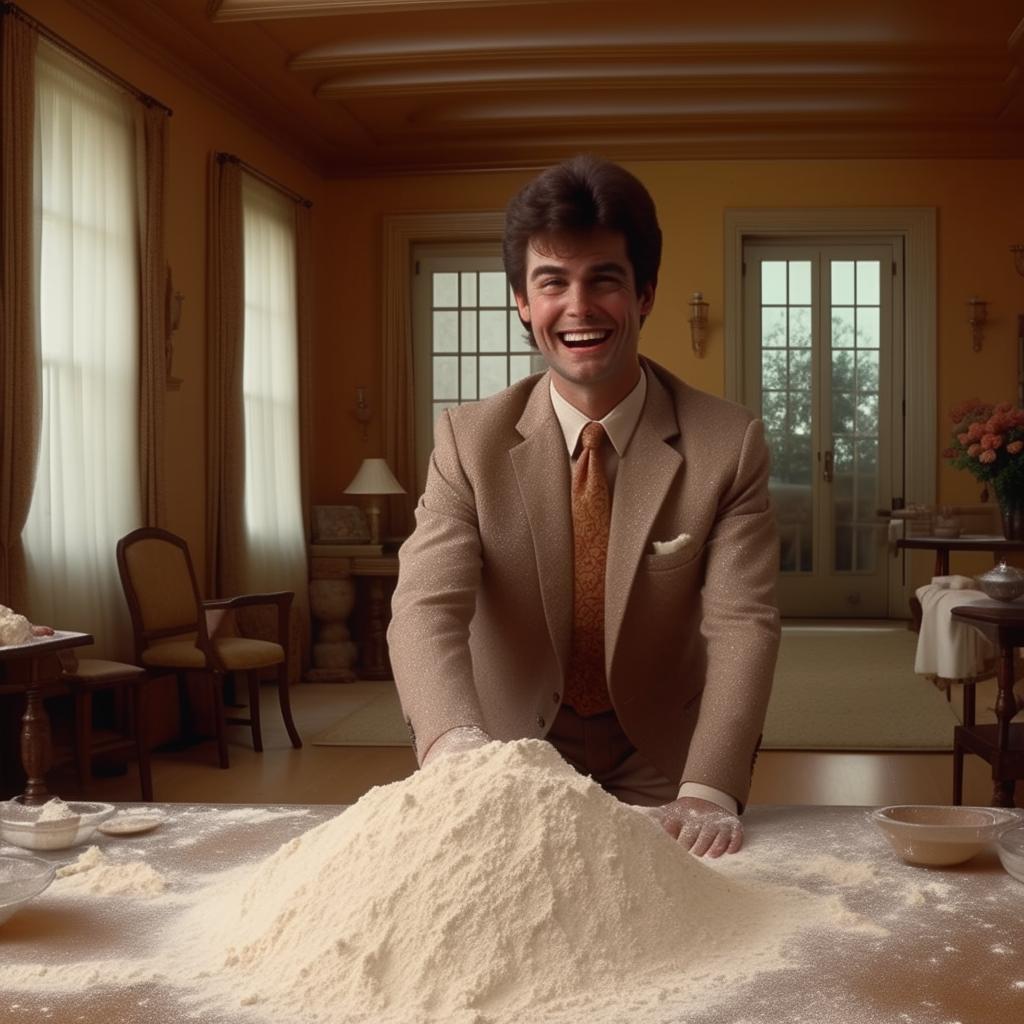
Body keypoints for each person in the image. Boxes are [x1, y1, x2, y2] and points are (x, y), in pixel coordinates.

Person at [388, 155, 780, 858]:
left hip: (662, 754)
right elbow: (425, 607)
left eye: (604, 278)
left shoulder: (730, 443)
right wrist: (453, 745)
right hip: (509, 748)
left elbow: (742, 626)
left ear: (646, 293)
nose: (578, 307)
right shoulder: (466, 441)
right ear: (520, 301)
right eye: (552, 283)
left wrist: (708, 790)